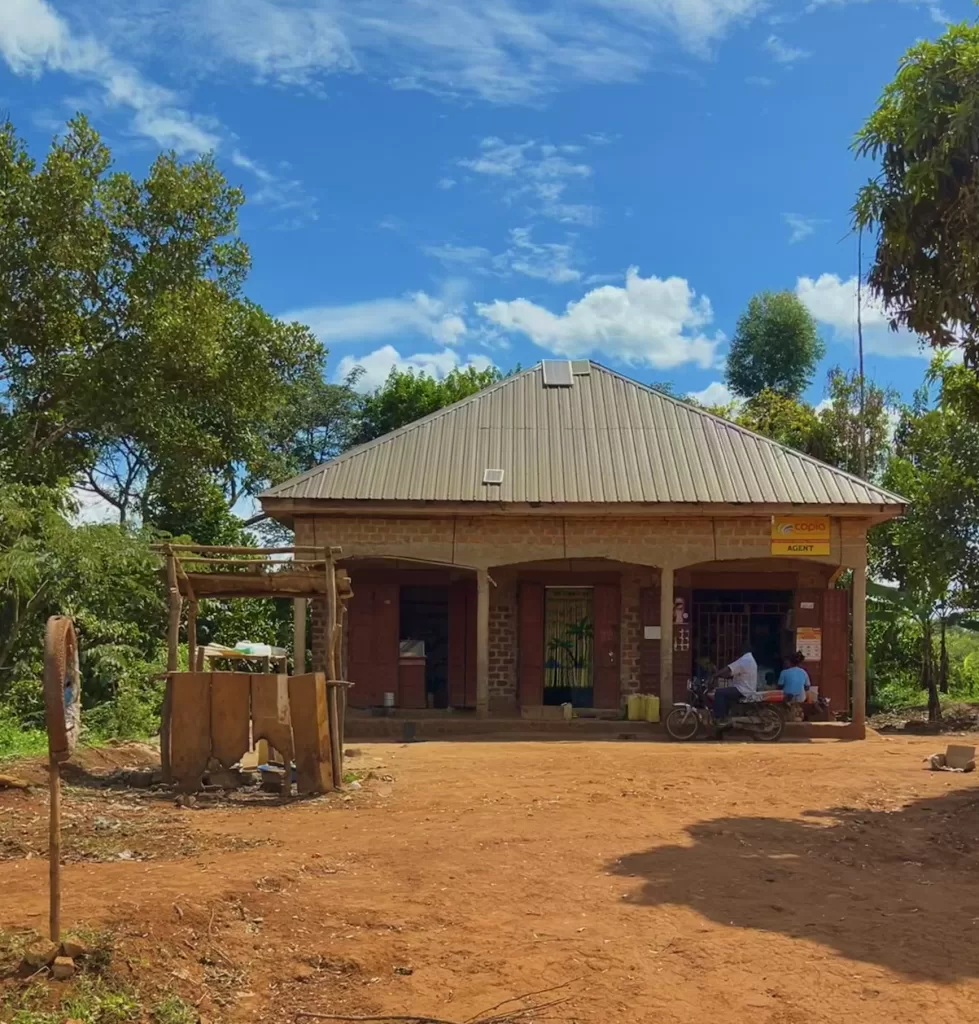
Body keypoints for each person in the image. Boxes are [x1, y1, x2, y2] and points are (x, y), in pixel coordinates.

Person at [712, 644, 758, 722]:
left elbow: (728, 668)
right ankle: (726, 715)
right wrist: (720, 676)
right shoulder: (750, 660)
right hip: (747, 688)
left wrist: (714, 675)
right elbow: (731, 674)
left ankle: (719, 718)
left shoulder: (744, 660)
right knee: (725, 694)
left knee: (719, 692)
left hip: (743, 690)